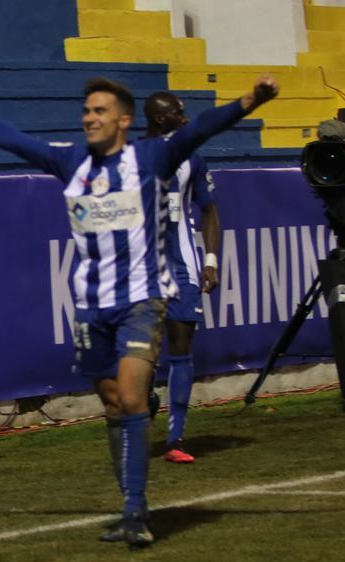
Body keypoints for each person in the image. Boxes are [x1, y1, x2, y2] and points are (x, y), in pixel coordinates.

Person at [0, 75, 278, 547]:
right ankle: (130, 501)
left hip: (141, 300)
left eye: (100, 111)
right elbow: (10, 137)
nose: (89, 118)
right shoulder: (72, 162)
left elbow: (199, 130)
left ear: (124, 121)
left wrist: (248, 101)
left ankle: (135, 511)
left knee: (131, 398)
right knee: (112, 405)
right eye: (86, 111)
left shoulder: (150, 158)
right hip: (90, 308)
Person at [143, 92, 221, 464]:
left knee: (181, 347)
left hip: (182, 265)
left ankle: (176, 438)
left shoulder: (193, 157)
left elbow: (208, 210)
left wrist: (210, 259)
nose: (184, 117)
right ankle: (145, 398)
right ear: (160, 120)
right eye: (177, 113)